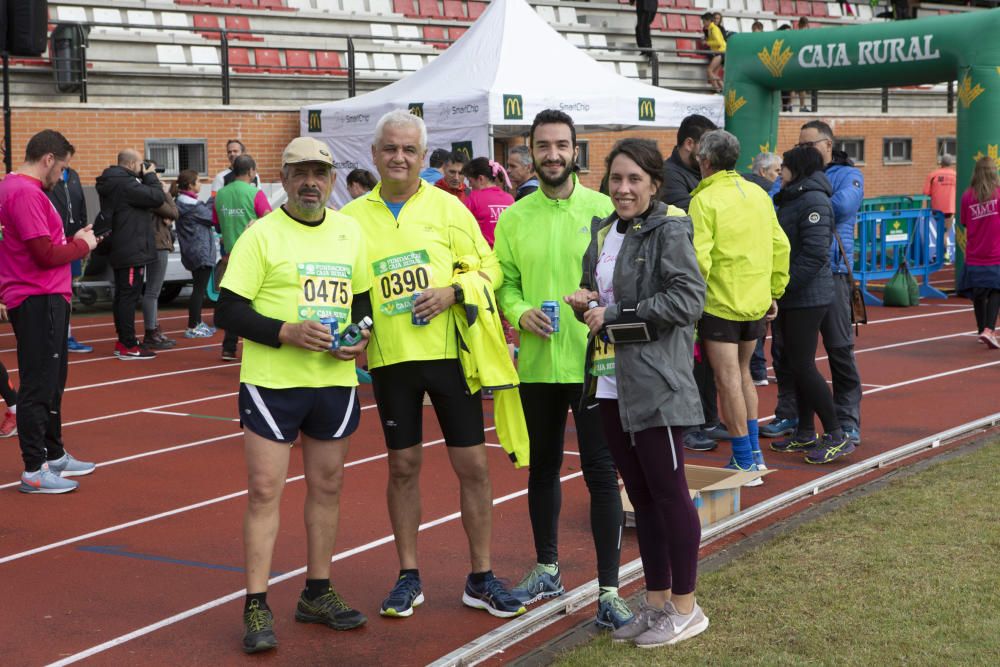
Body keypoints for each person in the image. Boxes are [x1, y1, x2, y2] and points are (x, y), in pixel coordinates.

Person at [341, 110, 524, 620]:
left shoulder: (450, 208)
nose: (399, 157)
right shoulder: (353, 218)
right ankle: (407, 576)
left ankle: (481, 576)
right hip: (391, 360)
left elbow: (488, 268)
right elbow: (347, 289)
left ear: (424, 158)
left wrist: (452, 291)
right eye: (390, 149)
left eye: (409, 150)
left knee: (472, 466)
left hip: (450, 357)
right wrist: (353, 326)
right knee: (403, 466)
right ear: (375, 156)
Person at [214, 137, 372, 653]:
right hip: (272, 384)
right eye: (300, 172)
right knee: (264, 491)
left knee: (327, 488)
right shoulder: (262, 236)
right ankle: (256, 602)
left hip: (333, 383)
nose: (311, 182)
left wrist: (359, 338)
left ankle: (316, 593)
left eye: (320, 174)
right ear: (283, 179)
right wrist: (286, 331)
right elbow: (229, 312)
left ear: (331, 180)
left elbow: (363, 303)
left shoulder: (350, 231)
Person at [567, 137, 709, 647]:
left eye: (633, 180)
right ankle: (654, 604)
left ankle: (687, 609)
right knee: (642, 499)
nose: (623, 189)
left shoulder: (669, 229)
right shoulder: (604, 230)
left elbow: (689, 299)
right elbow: (601, 297)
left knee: (670, 496)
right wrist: (585, 301)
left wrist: (619, 315)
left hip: (657, 383)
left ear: (653, 183)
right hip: (609, 382)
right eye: (616, 179)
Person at [494, 110, 632, 629]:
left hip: (594, 363)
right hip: (536, 364)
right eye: (542, 146)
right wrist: (517, 312)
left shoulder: (603, 209)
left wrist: (600, 299)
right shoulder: (514, 216)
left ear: (576, 151)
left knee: (601, 474)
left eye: (561, 145)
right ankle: (548, 568)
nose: (552, 154)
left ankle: (609, 590)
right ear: (529, 152)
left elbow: (622, 276)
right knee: (543, 468)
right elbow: (504, 282)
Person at [0, 129, 98, 493]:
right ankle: (33, 468)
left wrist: (74, 241)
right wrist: (82, 245)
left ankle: (53, 454)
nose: (63, 176)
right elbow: (44, 255)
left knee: (52, 381)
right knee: (38, 384)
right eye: (63, 168)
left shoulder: (18, 189)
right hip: (37, 296)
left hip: (44, 295)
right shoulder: (25, 193)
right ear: (48, 160)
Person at [689, 129, 790, 481]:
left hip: (720, 303)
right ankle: (754, 456)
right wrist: (774, 290)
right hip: (756, 302)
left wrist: (690, 302)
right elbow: (780, 245)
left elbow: (699, 259)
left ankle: (745, 459)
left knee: (727, 379)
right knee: (744, 374)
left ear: (704, 161)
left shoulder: (704, 200)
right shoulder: (759, 194)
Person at [762, 120, 864, 453]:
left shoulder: (817, 197)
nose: (780, 174)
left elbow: (815, 252)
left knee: (824, 356)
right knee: (793, 362)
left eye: (785, 168)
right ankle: (805, 429)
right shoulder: (792, 195)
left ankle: (838, 430)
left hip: (812, 289)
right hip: (795, 291)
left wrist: (785, 285)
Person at [656, 114, 725, 452]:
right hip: (677, 276)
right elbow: (692, 219)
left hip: (699, 277)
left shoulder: (698, 176)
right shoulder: (672, 177)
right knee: (688, 358)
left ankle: (709, 418)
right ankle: (690, 426)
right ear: (689, 145)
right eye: (706, 147)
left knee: (706, 358)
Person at [96, 149, 168, 360]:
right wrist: (151, 175)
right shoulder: (126, 184)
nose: (142, 168)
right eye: (140, 165)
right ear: (130, 165)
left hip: (124, 246)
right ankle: (128, 344)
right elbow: (156, 197)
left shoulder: (115, 181)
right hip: (131, 248)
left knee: (123, 296)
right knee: (128, 296)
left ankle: (125, 340)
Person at [215, 154, 273, 361]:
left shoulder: (220, 194)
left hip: (228, 253)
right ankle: (261, 345)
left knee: (233, 300)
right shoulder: (255, 193)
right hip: (252, 253)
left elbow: (216, 223)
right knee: (258, 301)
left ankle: (229, 347)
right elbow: (269, 220)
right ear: (251, 172)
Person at [46, 164, 94, 353]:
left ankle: (65, 334)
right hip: (56, 240)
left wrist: (84, 237)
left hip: (73, 238)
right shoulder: (48, 177)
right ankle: (57, 334)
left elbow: (80, 203)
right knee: (55, 288)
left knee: (68, 288)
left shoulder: (73, 175)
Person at [959, 157, 1000, 348]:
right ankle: (989, 329)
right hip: (994, 252)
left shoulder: (968, 195)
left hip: (974, 253)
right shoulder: (998, 194)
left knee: (979, 293)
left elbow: (965, 222)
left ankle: (981, 329)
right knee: (996, 290)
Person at [172, 170, 218, 338]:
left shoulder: (182, 203)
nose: (200, 184)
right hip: (201, 252)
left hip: (192, 252)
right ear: (190, 185)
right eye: (198, 181)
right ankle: (193, 325)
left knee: (198, 288)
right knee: (199, 290)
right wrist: (214, 199)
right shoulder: (193, 206)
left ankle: (197, 322)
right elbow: (211, 217)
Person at [140, 161, 180, 352]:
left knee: (152, 291)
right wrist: (165, 192)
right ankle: (151, 331)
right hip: (158, 244)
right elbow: (174, 212)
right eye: (155, 171)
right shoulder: (152, 194)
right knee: (153, 291)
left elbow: (169, 216)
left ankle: (153, 329)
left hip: (152, 243)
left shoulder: (141, 192)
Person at [462, 157, 514, 247]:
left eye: (470, 181)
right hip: (507, 256)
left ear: (481, 179)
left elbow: (462, 230)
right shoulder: (510, 199)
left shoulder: (473, 199)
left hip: (485, 257)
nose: (470, 185)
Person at [923, 153, 957, 262]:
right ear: (951, 163)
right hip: (950, 208)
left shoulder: (933, 175)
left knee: (940, 231)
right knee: (946, 233)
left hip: (937, 209)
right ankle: (944, 254)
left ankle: (941, 254)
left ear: (941, 162)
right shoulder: (956, 175)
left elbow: (926, 192)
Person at [701, 12, 726, 93]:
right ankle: (721, 91)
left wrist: (706, 43)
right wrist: (706, 41)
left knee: (709, 71)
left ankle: (719, 90)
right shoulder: (710, 29)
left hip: (721, 52)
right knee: (714, 74)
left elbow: (718, 42)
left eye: (704, 21)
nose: (703, 23)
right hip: (721, 52)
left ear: (708, 21)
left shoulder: (714, 29)